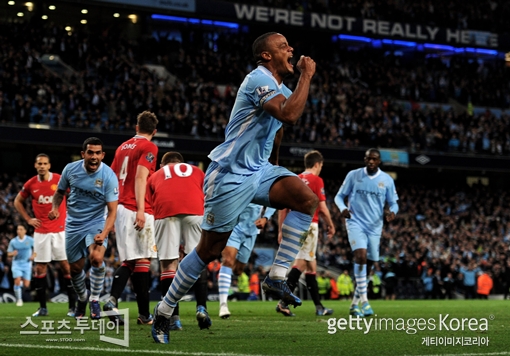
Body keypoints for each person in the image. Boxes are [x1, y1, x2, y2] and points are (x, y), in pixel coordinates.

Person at [152, 31, 318, 343]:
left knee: (306, 200)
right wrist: (307, 75)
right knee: (209, 250)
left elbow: (278, 133)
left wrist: (277, 175)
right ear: (266, 55)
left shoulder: (279, 87)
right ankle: (163, 311)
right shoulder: (258, 79)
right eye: (283, 46)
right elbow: (290, 115)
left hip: (258, 171)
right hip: (229, 174)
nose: (291, 49)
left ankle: (278, 277)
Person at [49, 137, 118, 320]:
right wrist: (55, 208)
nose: (94, 157)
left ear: (102, 155)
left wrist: (104, 233)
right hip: (73, 224)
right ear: (83, 154)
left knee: (96, 258)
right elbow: (59, 193)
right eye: (90, 152)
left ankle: (95, 300)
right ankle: (82, 298)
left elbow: (112, 211)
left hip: (97, 222)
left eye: (97, 153)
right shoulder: (70, 170)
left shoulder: (109, 176)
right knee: (75, 269)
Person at [106, 111, 159, 325]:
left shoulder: (121, 148)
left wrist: (109, 212)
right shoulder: (150, 147)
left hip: (119, 207)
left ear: (136, 128)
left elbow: (110, 177)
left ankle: (117, 303)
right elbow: (140, 177)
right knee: (143, 259)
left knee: (132, 259)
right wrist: (139, 209)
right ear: (154, 132)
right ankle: (141, 313)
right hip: (137, 206)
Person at [147, 151, 210, 330]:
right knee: (197, 260)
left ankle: (173, 318)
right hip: (195, 211)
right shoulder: (198, 171)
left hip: (166, 212)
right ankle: (202, 307)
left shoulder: (156, 175)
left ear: (162, 165)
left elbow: (152, 200)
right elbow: (207, 192)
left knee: (168, 265)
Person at [334, 148, 399, 317]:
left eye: (374, 159)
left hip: (375, 227)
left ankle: (354, 305)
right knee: (360, 257)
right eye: (368, 159)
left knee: (368, 265)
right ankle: (365, 302)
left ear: (379, 161)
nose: (371, 161)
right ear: (365, 159)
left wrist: (392, 212)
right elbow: (339, 197)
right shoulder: (353, 175)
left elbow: (394, 203)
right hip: (355, 222)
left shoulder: (386, 180)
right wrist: (342, 209)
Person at [14, 153, 76, 317]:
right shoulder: (31, 184)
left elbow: (74, 192)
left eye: (44, 163)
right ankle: (42, 308)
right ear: (36, 166)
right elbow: (17, 201)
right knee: (40, 267)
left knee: (65, 266)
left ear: (49, 165)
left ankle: (72, 307)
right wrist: (28, 219)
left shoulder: (59, 179)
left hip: (61, 230)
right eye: (39, 163)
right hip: (41, 232)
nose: (42, 166)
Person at [275, 150, 335, 317]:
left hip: (292, 224)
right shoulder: (316, 180)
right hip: (308, 226)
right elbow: (322, 208)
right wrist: (331, 224)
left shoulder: (294, 180)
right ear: (317, 164)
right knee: (301, 263)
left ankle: (319, 307)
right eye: (321, 166)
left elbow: (283, 208)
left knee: (311, 265)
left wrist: (281, 230)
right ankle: (283, 302)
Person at [218, 204, 275, 319]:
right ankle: (223, 304)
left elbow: (273, 201)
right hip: (233, 227)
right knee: (227, 261)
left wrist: (266, 217)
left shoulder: (260, 185)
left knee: (238, 271)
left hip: (251, 231)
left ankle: (228, 273)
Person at [7, 224, 35, 306]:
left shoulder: (30, 240)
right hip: (17, 264)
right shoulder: (13, 241)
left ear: (25, 231)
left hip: (27, 264)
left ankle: (20, 285)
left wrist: (33, 256)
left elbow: (37, 250)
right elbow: (8, 254)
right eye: (18, 229)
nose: (18, 231)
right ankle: (19, 300)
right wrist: (12, 254)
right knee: (17, 280)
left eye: (21, 229)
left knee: (26, 285)